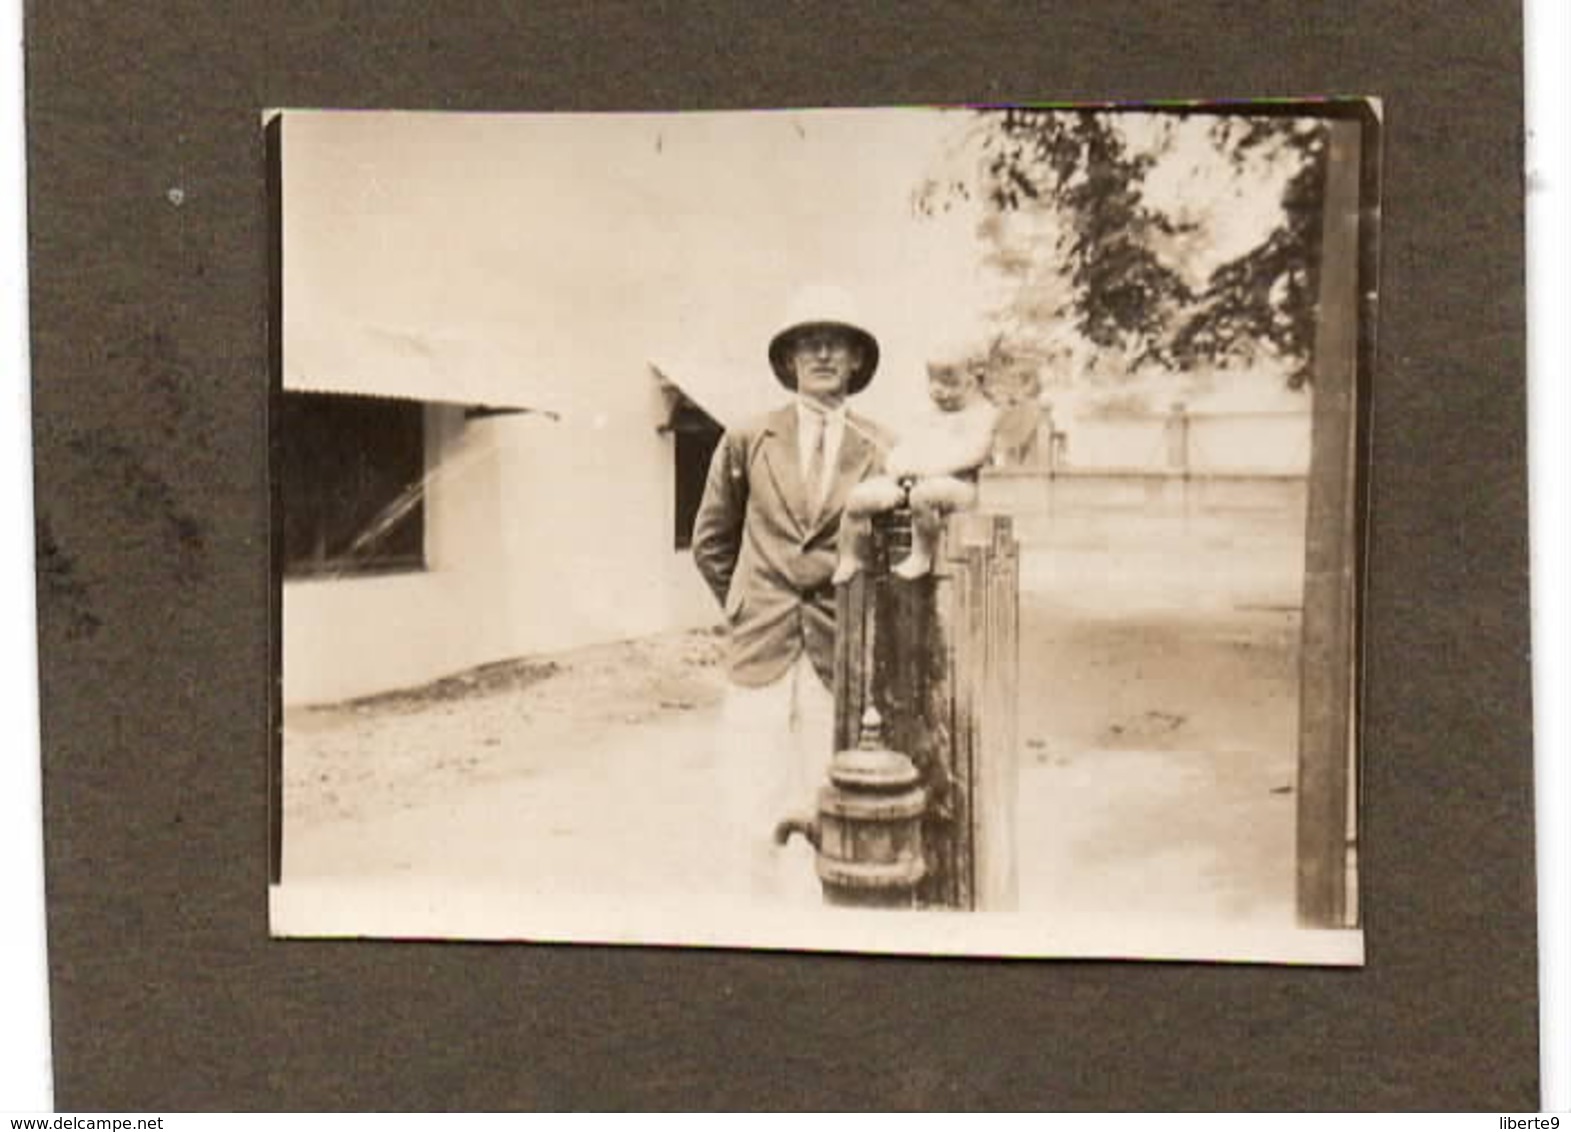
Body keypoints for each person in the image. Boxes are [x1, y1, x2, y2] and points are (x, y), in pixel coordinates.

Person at [691, 285, 890, 902]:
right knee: (750, 801)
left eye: (837, 343)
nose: (823, 354)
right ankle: (750, 933)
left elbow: (888, 555)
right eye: (809, 342)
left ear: (857, 360)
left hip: (838, 652)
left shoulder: (883, 447)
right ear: (789, 359)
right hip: (761, 649)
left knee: (828, 796)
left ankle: (821, 933)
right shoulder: (749, 438)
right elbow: (711, 542)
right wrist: (748, 603)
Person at [832, 339, 999, 582]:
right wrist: (897, 466)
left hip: (958, 486)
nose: (939, 390)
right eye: (933, 381)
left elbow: (975, 453)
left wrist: (929, 469)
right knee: (859, 498)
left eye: (950, 382)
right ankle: (850, 557)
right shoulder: (926, 414)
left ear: (974, 380)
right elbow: (906, 447)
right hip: (914, 480)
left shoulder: (982, 414)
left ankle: (921, 555)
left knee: (925, 495)